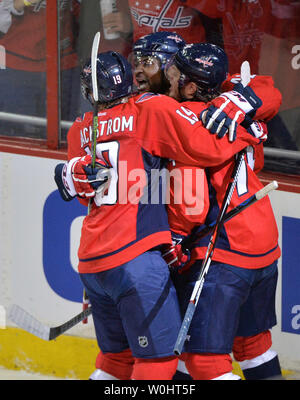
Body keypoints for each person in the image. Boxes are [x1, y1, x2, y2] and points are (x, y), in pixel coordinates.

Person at [54, 50, 262, 380]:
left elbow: (85, 197)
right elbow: (204, 147)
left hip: (92, 263)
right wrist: (250, 131)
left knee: (115, 361)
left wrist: (68, 173)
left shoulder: (79, 131)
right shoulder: (148, 109)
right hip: (136, 260)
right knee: (159, 363)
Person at [163, 42, 282, 380]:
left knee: (204, 361)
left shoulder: (190, 123)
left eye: (173, 77)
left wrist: (175, 236)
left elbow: (191, 204)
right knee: (254, 345)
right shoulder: (229, 102)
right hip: (262, 242)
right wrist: (243, 103)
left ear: (188, 85)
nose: (169, 82)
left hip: (223, 251)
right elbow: (267, 91)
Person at [0, 0, 80, 138]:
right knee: (14, 135)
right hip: (15, 67)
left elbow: (86, 13)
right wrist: (21, 2)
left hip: (63, 64)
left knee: (66, 136)